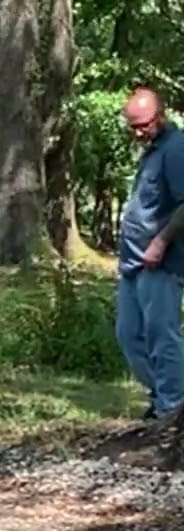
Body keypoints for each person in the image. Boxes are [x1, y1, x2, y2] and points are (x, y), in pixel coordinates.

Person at [115, 87, 184, 421]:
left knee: (161, 335)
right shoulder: (152, 150)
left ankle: (172, 409)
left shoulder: (176, 148)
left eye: (144, 124)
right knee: (129, 334)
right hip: (132, 262)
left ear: (161, 114)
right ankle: (163, 399)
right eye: (133, 127)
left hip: (161, 262)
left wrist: (160, 242)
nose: (139, 132)